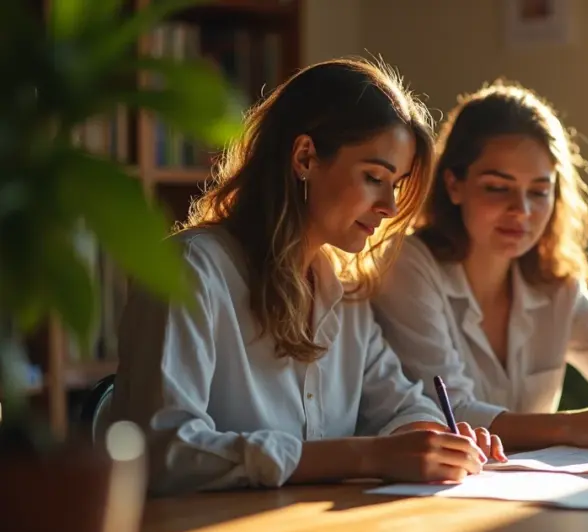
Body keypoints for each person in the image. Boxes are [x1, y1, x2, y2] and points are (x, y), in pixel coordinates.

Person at [111, 58, 506, 497]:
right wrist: (367, 456)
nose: (390, 208)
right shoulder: (191, 271)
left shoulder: (345, 293)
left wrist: (433, 436)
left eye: (395, 185)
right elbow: (166, 450)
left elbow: (399, 403)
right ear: (305, 158)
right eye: (374, 177)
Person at [371, 81, 588, 452]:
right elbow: (450, 416)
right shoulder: (410, 265)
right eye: (497, 187)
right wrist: (572, 426)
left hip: (530, 492)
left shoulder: (554, 283)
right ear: (454, 185)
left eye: (539, 192)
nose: (521, 211)